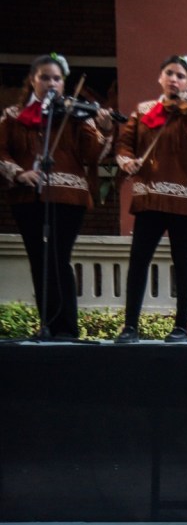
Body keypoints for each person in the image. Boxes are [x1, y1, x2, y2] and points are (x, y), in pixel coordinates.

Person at [0, 53, 114, 339]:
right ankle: (47, 325)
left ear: (64, 83)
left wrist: (104, 129)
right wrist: (18, 173)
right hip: (29, 195)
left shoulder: (76, 116)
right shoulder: (13, 115)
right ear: (33, 80)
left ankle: (68, 327)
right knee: (38, 259)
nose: (52, 83)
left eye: (57, 79)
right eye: (45, 77)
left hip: (68, 196)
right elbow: (2, 150)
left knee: (58, 256)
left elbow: (92, 156)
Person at [115, 54, 187, 343]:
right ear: (160, 77)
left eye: (180, 75)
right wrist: (128, 162)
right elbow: (124, 145)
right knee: (138, 260)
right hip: (149, 197)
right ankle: (130, 326)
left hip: (184, 198)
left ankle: (181, 327)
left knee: (182, 260)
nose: (174, 79)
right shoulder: (144, 110)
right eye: (169, 73)